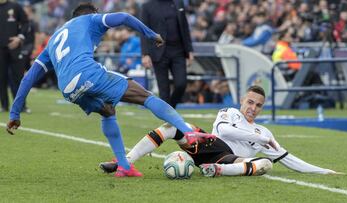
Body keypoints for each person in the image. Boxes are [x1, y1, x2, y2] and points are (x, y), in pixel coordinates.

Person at [6, 3, 215, 178]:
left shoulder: (53, 40)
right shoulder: (91, 20)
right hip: (87, 73)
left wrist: (15, 113)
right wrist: (151, 34)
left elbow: (28, 78)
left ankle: (124, 166)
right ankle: (188, 133)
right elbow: (124, 16)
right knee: (146, 96)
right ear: (94, 13)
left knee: (107, 111)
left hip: (68, 89)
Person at [99, 85, 340, 177]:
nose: (253, 108)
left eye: (258, 105)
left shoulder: (263, 131)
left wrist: (325, 171)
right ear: (242, 100)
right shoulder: (230, 113)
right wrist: (260, 138)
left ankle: (215, 171)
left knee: (266, 165)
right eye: (250, 102)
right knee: (173, 127)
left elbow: (288, 159)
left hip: (227, 160)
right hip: (209, 144)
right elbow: (226, 131)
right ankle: (125, 162)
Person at [140, 0, 194, 108]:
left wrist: (189, 50)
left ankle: (170, 109)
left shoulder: (179, 3)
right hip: (159, 52)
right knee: (164, 90)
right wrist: (145, 54)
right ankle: (168, 118)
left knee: (181, 84)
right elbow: (143, 31)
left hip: (178, 50)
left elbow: (184, 27)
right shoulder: (147, 6)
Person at [0, 0, 29, 112]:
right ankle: (4, 106)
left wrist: (20, 37)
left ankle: (21, 106)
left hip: (15, 48)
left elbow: (26, 23)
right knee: (1, 78)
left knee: (18, 78)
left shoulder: (15, 6)